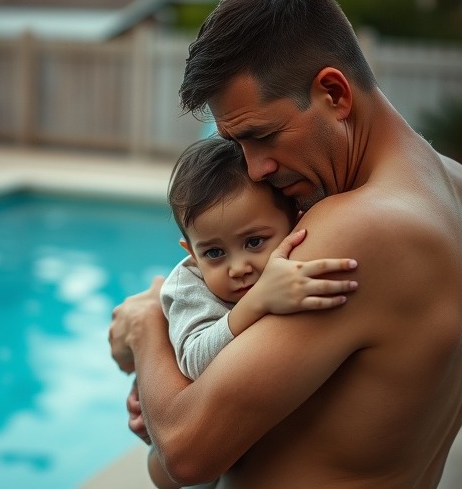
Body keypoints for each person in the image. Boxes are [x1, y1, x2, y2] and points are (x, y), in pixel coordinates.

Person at [108, 0, 462, 488]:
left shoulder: (357, 229)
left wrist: (146, 325)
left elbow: (185, 454)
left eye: (263, 135)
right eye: (237, 145)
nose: (255, 169)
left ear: (334, 93)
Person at [149, 137, 358, 489]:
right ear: (192, 253)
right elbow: (194, 360)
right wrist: (257, 302)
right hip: (199, 430)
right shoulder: (187, 288)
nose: (238, 267)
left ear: (295, 222)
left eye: (254, 242)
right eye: (214, 253)